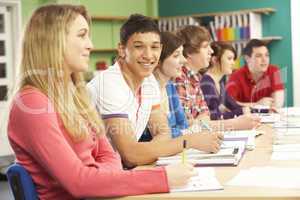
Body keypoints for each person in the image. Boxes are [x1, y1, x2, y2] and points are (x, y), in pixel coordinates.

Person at [7, 5, 196, 199]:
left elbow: (109, 156)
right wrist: (162, 178)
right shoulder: (32, 103)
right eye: (82, 35)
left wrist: (95, 176)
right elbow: (79, 182)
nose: (90, 45)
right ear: (53, 41)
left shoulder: (75, 96)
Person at [88, 14, 222, 168]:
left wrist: (147, 151)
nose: (148, 55)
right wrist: (189, 141)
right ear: (122, 49)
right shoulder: (110, 83)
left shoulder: (149, 82)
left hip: (121, 169)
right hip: (95, 175)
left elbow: (164, 133)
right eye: (138, 46)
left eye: (154, 47)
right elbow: (131, 155)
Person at [175, 25, 260, 131]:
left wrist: (199, 122)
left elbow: (206, 118)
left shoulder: (196, 78)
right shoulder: (180, 79)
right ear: (189, 52)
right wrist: (236, 120)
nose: (210, 51)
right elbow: (186, 126)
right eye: (205, 46)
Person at [226, 39, 285, 110]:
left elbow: (278, 103)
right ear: (247, 58)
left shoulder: (274, 71)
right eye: (259, 56)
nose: (264, 60)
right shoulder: (236, 76)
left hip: (269, 118)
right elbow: (227, 104)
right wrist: (256, 105)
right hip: (244, 118)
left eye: (267, 55)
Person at [200, 42, 250, 120]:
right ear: (215, 60)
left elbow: (234, 106)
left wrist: (264, 110)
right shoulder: (207, 83)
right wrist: (242, 111)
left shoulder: (220, 83)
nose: (233, 63)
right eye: (229, 59)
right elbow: (214, 117)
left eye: (233, 59)